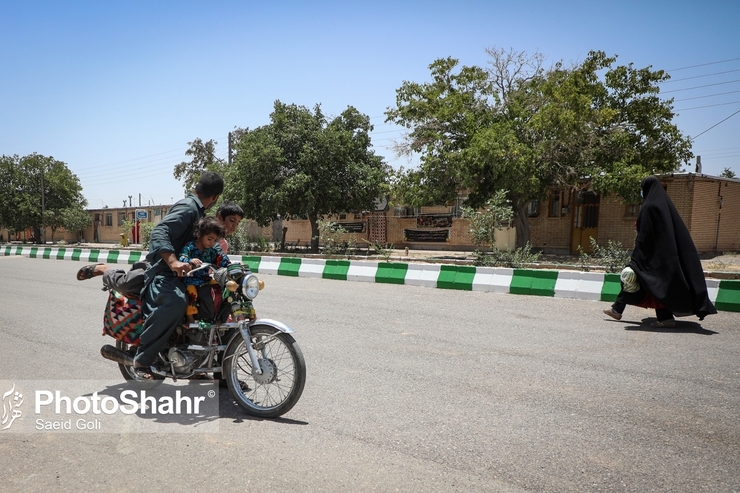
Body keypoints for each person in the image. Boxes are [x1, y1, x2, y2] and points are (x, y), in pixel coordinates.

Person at [134, 172, 224, 374]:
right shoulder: (188, 207)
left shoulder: (199, 212)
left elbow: (210, 246)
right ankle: (143, 360)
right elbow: (160, 231)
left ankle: (219, 371)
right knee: (176, 302)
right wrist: (173, 261)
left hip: (189, 275)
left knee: (220, 302)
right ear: (215, 197)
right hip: (165, 274)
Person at [603, 175, 717, 327]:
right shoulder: (664, 206)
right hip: (663, 256)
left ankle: (665, 318)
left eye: (642, 189)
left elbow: (645, 236)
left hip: (650, 256)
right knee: (639, 281)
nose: (641, 192)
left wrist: (637, 256)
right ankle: (617, 309)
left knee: (643, 281)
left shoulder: (649, 207)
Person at [76, 200, 244, 296]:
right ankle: (104, 270)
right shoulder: (202, 226)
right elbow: (175, 242)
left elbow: (221, 263)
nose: (234, 226)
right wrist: (179, 262)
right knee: (129, 284)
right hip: (166, 267)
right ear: (219, 217)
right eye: (231, 220)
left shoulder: (223, 245)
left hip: (197, 281)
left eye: (237, 223)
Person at [179, 217, 231, 323]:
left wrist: (232, 266)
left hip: (205, 279)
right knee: (192, 293)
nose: (211, 243)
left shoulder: (211, 251)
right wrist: (190, 261)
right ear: (200, 234)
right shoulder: (190, 247)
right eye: (209, 239)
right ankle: (190, 318)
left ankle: (218, 316)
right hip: (191, 279)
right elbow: (182, 258)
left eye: (214, 240)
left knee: (225, 288)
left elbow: (222, 260)